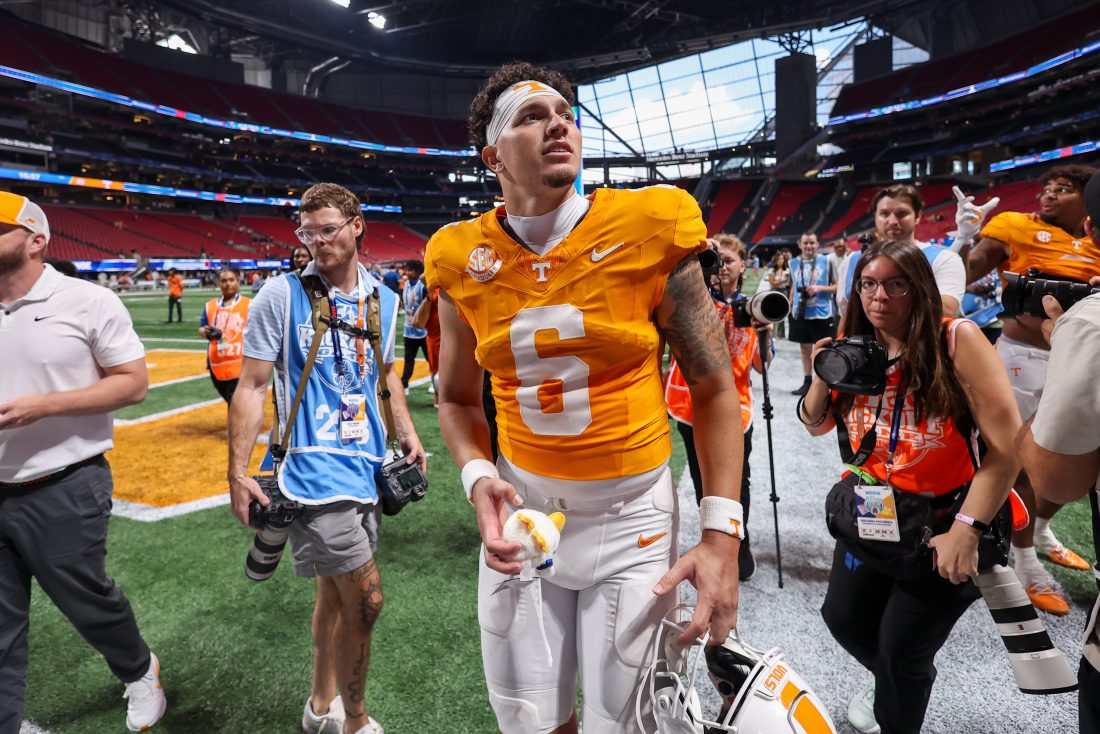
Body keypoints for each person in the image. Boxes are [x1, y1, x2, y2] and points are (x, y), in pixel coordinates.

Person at [424, 62, 744, 734]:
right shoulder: (459, 255)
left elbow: (715, 385)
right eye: (531, 116)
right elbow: (455, 398)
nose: (557, 122)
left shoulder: (651, 222)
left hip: (632, 521)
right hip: (525, 510)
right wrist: (478, 475)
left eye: (564, 112)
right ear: (493, 155)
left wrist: (721, 534)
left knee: (621, 721)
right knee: (526, 720)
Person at [798, 239, 1020, 734]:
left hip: (943, 523)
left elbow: (1007, 449)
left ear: (918, 288)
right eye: (870, 283)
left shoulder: (956, 340)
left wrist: (966, 530)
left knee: (901, 654)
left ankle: (901, 685)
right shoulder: (857, 341)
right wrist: (821, 374)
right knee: (843, 619)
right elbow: (815, 423)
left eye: (896, 284)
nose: (880, 297)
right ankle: (900, 678)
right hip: (871, 511)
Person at [227, 183, 425, 734]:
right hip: (311, 473)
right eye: (306, 232)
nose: (316, 242)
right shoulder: (280, 295)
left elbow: (385, 374)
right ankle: (355, 721)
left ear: (357, 224)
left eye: (327, 229)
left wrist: (406, 433)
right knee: (367, 600)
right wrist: (237, 471)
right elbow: (251, 385)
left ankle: (319, 707)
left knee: (334, 598)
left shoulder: (384, 299)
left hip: (367, 466)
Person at [0, 192, 166, 733]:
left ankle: (139, 670)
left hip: (63, 482)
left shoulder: (86, 301)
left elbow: (133, 383)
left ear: (36, 240)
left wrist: (39, 407)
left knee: (86, 600)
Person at [957, 164, 1098, 615]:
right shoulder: (1017, 228)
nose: (1050, 195)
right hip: (1021, 358)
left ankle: (1037, 530)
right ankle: (1022, 559)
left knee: (1075, 457)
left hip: (1078, 357)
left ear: (1087, 206)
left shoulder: (1094, 243)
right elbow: (967, 271)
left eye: (1064, 189)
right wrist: (964, 239)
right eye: (1047, 188)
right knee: (1019, 457)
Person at [1017, 169, 1100, 734]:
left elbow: (1055, 478)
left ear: (1091, 228)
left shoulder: (1090, 324)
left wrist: (1067, 343)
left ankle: (1028, 548)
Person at [665, 233, 767, 581]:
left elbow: (762, 365)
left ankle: (740, 540)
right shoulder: (692, 300)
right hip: (691, 406)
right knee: (701, 477)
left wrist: (764, 332)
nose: (724, 266)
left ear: (743, 265)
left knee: (740, 479)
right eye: (718, 259)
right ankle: (713, 537)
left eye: (731, 259)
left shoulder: (751, 307)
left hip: (737, 409)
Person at [836, 185, 966, 321]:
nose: (892, 221)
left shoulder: (944, 259)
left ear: (918, 216)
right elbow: (847, 316)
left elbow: (947, 310)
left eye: (902, 214)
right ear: (875, 217)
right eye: (884, 214)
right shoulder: (852, 261)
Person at [788, 232, 836, 396]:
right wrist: (790, 303)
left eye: (812, 243)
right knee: (804, 347)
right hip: (801, 311)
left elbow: (837, 286)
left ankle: (822, 382)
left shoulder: (827, 261)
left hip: (821, 311)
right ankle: (807, 381)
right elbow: (794, 285)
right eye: (806, 243)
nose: (809, 246)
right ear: (799, 244)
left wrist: (819, 288)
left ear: (817, 244)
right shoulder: (792, 262)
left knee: (822, 348)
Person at [198, 267, 250, 405]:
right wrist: (206, 332)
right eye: (224, 281)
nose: (228, 284)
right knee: (232, 401)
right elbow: (202, 327)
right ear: (218, 283)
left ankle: (238, 427)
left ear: (238, 282)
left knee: (235, 402)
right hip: (216, 363)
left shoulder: (249, 304)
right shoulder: (210, 306)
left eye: (231, 280)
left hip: (240, 362)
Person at [399, 259, 428, 391]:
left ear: (417, 272)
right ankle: (404, 384)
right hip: (408, 330)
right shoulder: (406, 285)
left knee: (432, 360)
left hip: (423, 331)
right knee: (408, 359)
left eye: (410, 270)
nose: (407, 273)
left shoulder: (422, 287)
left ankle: (435, 382)